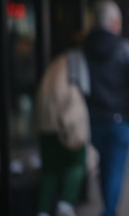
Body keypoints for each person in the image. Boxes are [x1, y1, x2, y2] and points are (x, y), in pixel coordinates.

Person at [82, 0, 129, 216]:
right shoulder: (125, 49)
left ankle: (107, 208)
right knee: (114, 170)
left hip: (92, 120)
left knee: (102, 168)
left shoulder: (83, 49)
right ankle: (109, 211)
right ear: (114, 23)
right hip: (119, 120)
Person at [35, 46, 90, 216]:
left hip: (46, 125)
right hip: (64, 124)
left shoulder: (52, 67)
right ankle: (66, 203)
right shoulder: (74, 64)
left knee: (50, 171)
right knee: (77, 161)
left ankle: (43, 210)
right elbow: (73, 100)